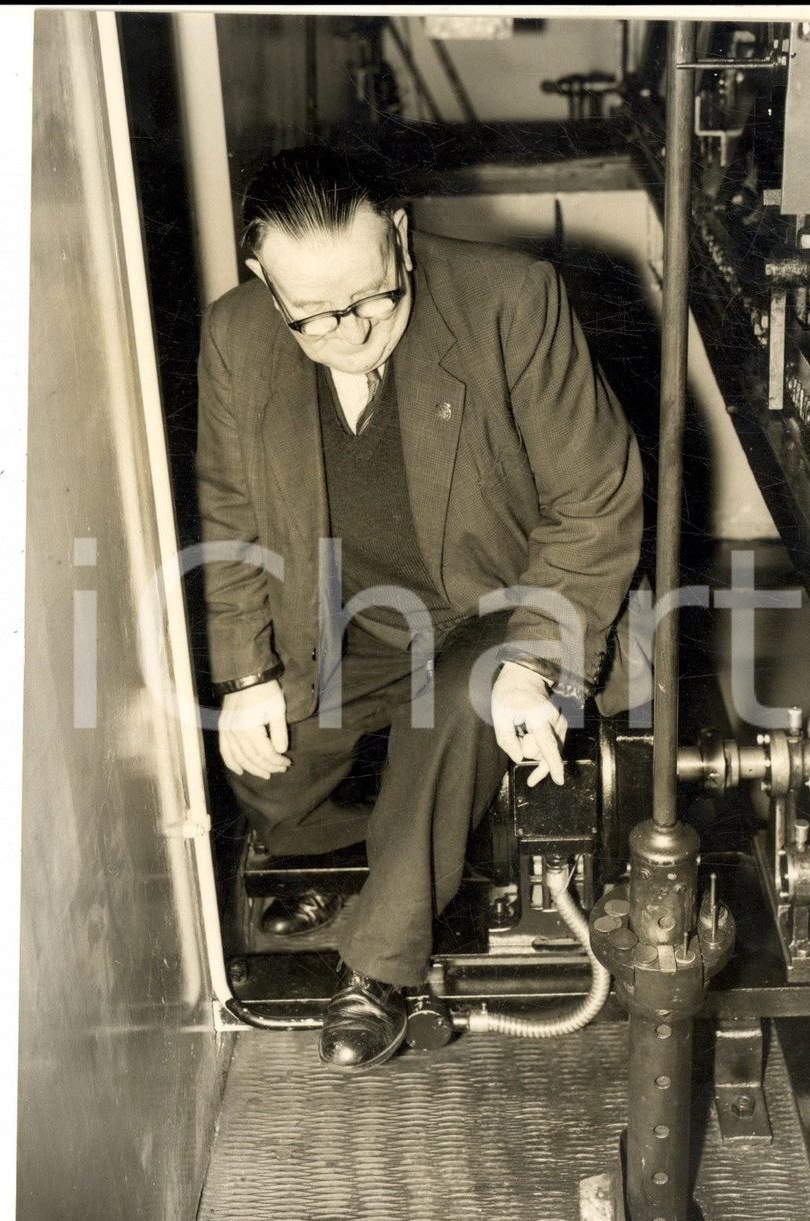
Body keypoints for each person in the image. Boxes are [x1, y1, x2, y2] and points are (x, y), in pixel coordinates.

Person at [196, 145, 643, 1073]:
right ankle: (433, 825)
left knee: (459, 706)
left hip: (501, 605)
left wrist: (534, 663)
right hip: (353, 617)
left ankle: (379, 975)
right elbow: (233, 519)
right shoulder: (236, 335)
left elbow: (594, 497)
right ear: (263, 283)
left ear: (398, 238)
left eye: (373, 298)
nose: (352, 331)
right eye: (313, 317)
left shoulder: (510, 300)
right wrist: (245, 677)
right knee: (271, 780)